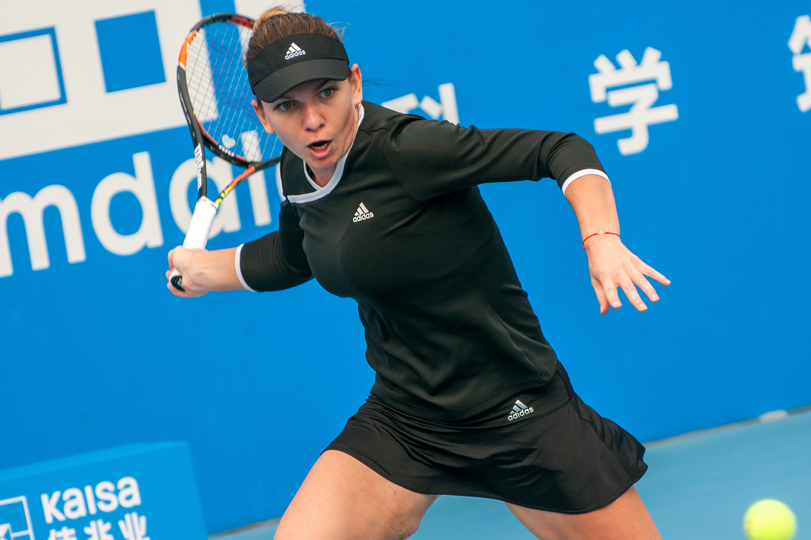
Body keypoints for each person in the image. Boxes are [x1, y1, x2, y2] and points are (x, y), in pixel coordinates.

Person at [167, 8, 670, 540]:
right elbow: (296, 256)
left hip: (513, 408)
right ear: (262, 115)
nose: (312, 119)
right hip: (405, 418)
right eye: (287, 106)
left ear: (355, 83)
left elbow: (560, 149)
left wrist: (601, 239)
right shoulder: (298, 171)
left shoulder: (407, 149)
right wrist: (205, 271)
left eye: (327, 93)